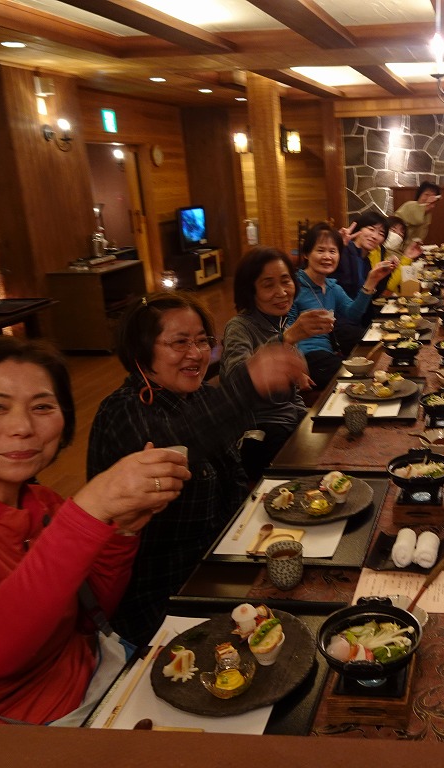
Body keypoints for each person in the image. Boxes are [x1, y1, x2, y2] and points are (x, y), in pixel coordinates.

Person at [0, 336, 191, 724]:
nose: (22, 427)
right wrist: (88, 511)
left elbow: (88, 617)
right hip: (2, 736)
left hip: (96, 692)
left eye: (42, 407)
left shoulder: (42, 503)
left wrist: (122, 531)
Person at [87, 292, 308, 646]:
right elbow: (177, 448)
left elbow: (232, 472)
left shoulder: (200, 396)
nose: (196, 353)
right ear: (141, 350)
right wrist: (247, 385)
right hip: (163, 599)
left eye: (202, 341)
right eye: (179, 343)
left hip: (221, 564)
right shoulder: (122, 412)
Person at [221, 247, 328, 479]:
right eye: (268, 285)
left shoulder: (279, 323)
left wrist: (306, 415)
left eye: (285, 281)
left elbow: (292, 396)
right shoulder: (239, 327)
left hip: (287, 421)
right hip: (257, 432)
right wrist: (285, 339)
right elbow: (234, 382)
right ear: (250, 290)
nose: (281, 292)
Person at [294, 222, 396, 389]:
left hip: (328, 353)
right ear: (306, 253)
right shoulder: (295, 287)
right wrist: (295, 368)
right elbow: (284, 332)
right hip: (306, 358)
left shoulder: (332, 287)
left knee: (376, 367)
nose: (327, 256)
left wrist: (371, 281)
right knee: (360, 382)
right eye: (320, 250)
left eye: (333, 251)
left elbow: (352, 315)